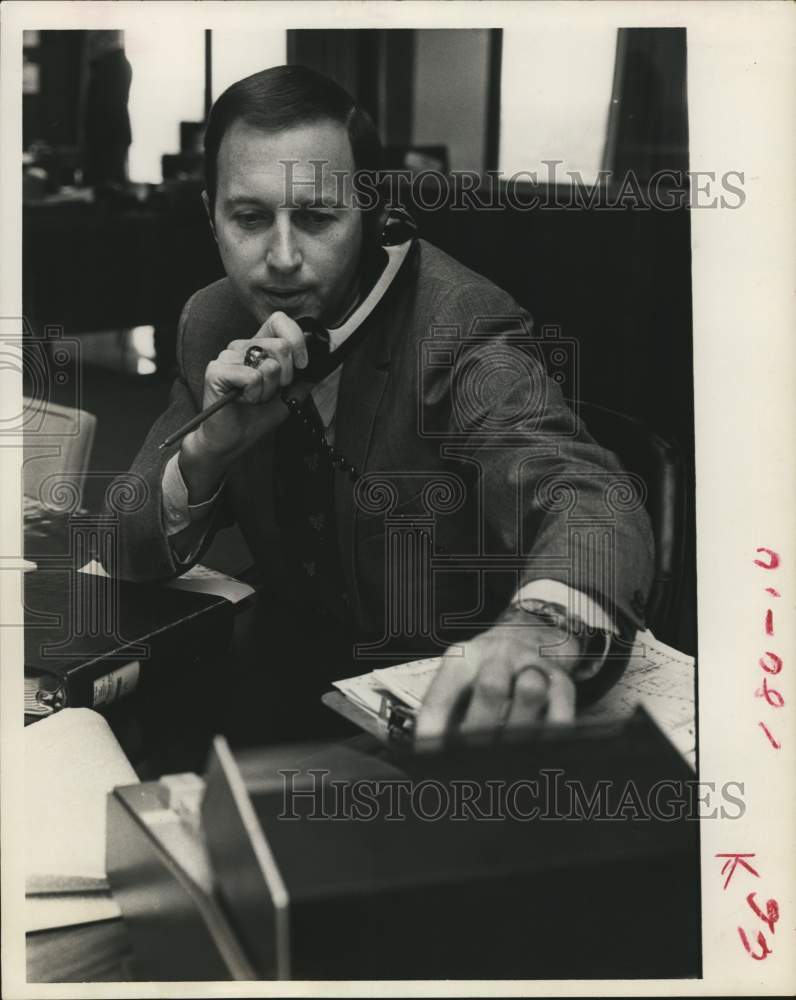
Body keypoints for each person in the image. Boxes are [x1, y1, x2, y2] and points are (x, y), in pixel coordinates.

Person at [112, 65, 654, 747]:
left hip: (452, 712)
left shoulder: (461, 323)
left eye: (315, 217)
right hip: (288, 683)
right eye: (250, 218)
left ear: (367, 212)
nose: (281, 259)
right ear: (210, 216)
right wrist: (206, 450)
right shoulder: (213, 319)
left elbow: (592, 497)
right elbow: (125, 545)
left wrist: (539, 633)